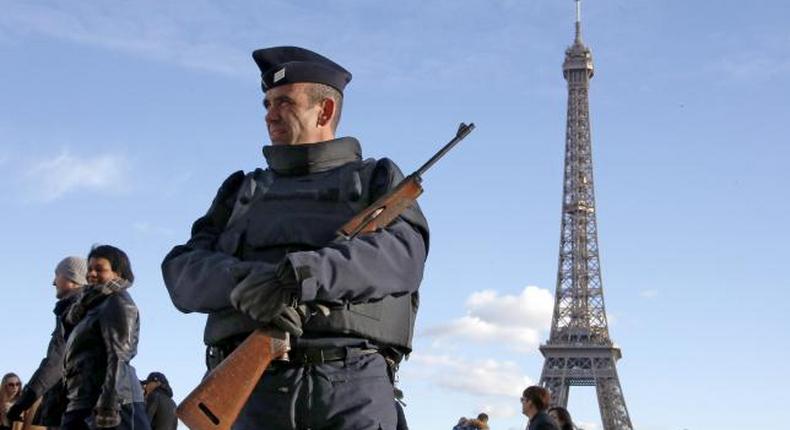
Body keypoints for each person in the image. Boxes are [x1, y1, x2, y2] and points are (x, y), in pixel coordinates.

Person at [162, 45, 429, 430]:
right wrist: (248, 287)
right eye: (267, 103)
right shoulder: (241, 190)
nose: (270, 114)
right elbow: (181, 271)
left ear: (325, 110)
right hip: (250, 390)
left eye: (284, 101)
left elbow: (401, 256)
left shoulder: (377, 181)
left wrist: (298, 276)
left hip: (351, 388)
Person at [60, 245, 150, 430]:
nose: (91, 274)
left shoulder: (117, 302)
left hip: (112, 403)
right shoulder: (89, 306)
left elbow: (119, 355)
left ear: (118, 273)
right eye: (90, 268)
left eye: (99, 269)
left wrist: (109, 403)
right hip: (83, 399)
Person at [7, 257, 87, 430]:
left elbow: (55, 363)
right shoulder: (83, 307)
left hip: (72, 407)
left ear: (72, 279)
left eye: (57, 275)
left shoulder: (74, 311)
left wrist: (22, 403)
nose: (53, 282)